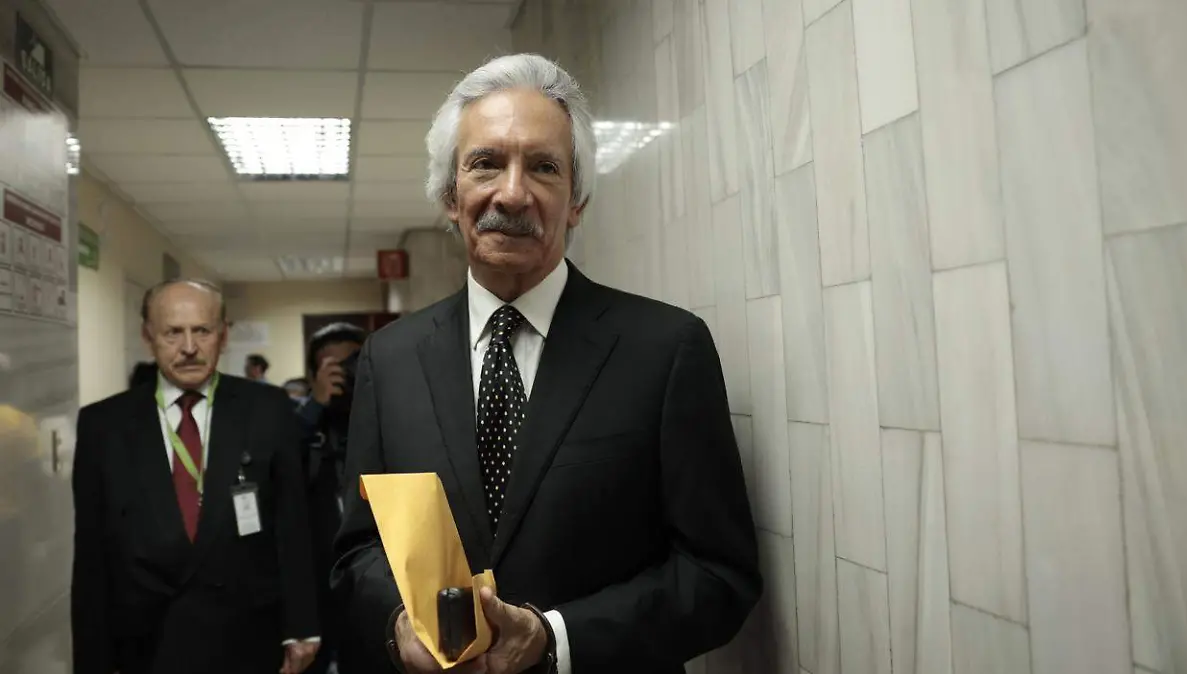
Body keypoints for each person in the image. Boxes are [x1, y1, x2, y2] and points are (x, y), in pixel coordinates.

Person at [332, 54, 761, 674]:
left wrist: (555, 638)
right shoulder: (390, 358)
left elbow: (718, 575)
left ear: (576, 201)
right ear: (451, 196)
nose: (512, 193)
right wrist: (400, 624)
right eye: (485, 163)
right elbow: (357, 552)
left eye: (543, 167)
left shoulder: (665, 349)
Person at [71, 279, 322, 674]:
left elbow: (292, 524)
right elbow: (91, 554)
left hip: (247, 634)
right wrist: (91, 661)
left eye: (202, 330)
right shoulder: (104, 425)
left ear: (223, 335)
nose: (189, 347)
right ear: (148, 336)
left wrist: (302, 625)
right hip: (146, 641)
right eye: (173, 332)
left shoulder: (267, 408)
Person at [293, 322, 367, 674]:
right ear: (313, 375)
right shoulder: (303, 422)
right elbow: (280, 462)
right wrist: (315, 404)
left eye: (353, 363)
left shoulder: (385, 412)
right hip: (315, 576)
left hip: (372, 575)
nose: (345, 374)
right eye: (333, 367)